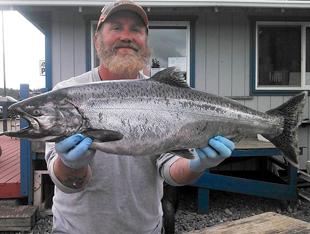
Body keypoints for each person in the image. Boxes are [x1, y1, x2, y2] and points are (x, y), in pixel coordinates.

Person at [45, 1, 235, 233]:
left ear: (145, 41)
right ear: (97, 39)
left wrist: (199, 164)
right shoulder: (65, 96)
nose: (127, 36)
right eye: (116, 28)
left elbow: (171, 171)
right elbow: (64, 181)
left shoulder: (167, 97)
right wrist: (70, 165)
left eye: (135, 30)